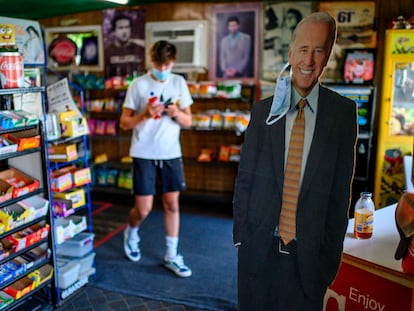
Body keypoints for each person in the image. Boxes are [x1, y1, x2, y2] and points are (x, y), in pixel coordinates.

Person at [233, 12, 358, 310]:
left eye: (318, 50)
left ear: (327, 55)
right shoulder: (263, 111)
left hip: (310, 259)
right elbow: (245, 178)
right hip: (257, 250)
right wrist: (242, 237)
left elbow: (341, 194)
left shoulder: (342, 114)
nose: (309, 60)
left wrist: (330, 258)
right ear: (290, 53)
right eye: (303, 49)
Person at [119, 40, 193, 278]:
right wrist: (144, 115)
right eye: (159, 64)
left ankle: (172, 255)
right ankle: (131, 232)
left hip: (171, 153)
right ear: (151, 61)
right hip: (143, 153)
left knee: (172, 204)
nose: (163, 68)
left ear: (173, 62)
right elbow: (123, 123)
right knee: (143, 209)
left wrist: (176, 113)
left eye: (167, 64)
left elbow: (189, 121)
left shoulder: (179, 82)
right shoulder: (138, 85)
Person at [105, 13, 144, 78]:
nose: (124, 31)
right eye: (120, 28)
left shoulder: (139, 49)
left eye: (127, 27)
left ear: (130, 29)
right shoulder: (107, 51)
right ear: (114, 31)